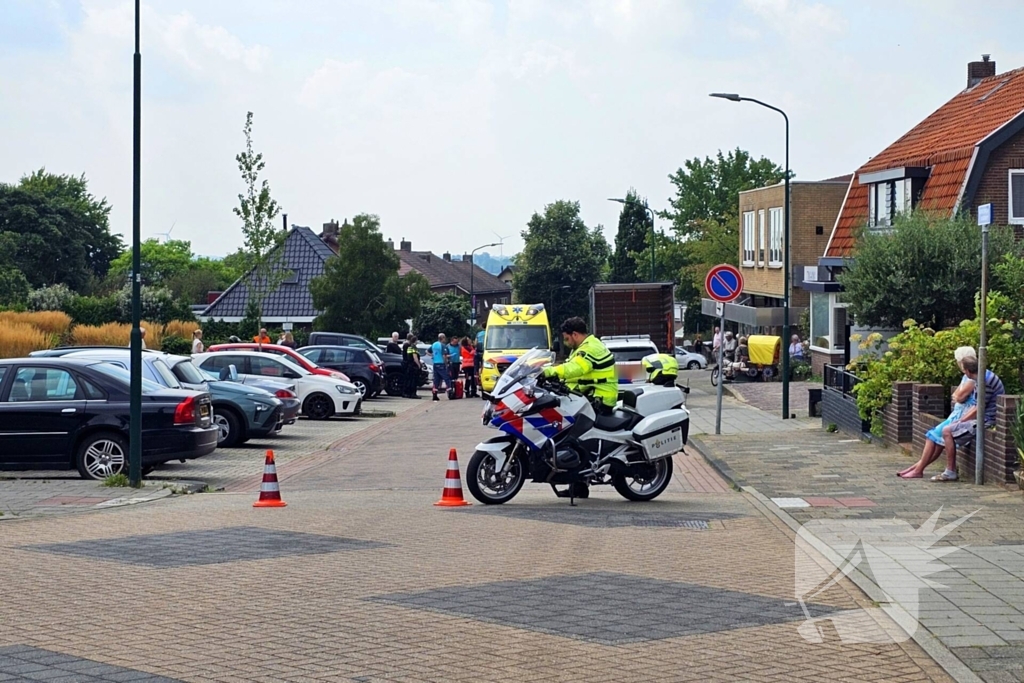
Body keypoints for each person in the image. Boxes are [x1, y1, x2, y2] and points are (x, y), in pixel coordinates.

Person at [542, 317, 617, 498]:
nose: (566, 342)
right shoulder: (583, 347)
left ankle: (579, 484)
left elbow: (576, 369)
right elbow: (573, 373)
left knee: (570, 437)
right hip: (589, 396)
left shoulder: (590, 349)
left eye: (567, 338)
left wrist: (548, 372)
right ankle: (577, 483)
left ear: (575, 335)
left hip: (599, 400)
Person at [899, 347, 976, 479]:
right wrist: (957, 395)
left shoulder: (970, 380)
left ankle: (918, 469)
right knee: (937, 439)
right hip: (957, 412)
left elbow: (959, 396)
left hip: (961, 415)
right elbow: (955, 394)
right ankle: (917, 467)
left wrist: (958, 396)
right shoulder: (965, 377)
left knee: (932, 436)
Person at [930, 356, 1004, 482]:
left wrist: (961, 421)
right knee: (949, 428)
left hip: (987, 419)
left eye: (964, 370)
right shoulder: (982, 377)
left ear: (968, 371)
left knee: (947, 431)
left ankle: (950, 472)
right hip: (983, 416)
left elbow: (979, 408)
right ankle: (950, 470)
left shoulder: (984, 382)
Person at [430, 333, 451, 401]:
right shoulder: (442, 345)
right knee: (446, 378)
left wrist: (433, 356)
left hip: (435, 364)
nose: (445, 339)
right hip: (441, 364)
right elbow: (444, 355)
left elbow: (427, 351)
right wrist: (446, 363)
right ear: (442, 338)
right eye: (444, 338)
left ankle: (434, 394)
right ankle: (450, 392)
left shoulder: (434, 344)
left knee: (436, 380)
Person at [402, 333, 421, 399]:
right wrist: (419, 365)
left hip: (409, 365)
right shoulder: (413, 347)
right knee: (413, 380)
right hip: (413, 365)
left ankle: (408, 393)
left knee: (409, 379)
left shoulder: (409, 347)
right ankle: (412, 393)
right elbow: (414, 357)